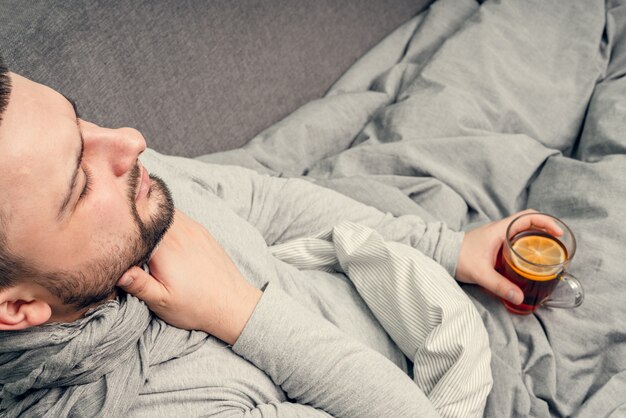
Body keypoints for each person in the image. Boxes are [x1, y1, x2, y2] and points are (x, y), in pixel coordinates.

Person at [0, 57, 546, 418]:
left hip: (382, 283)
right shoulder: (151, 402)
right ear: (19, 306)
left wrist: (446, 247)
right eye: (79, 179)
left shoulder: (124, 190)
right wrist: (238, 311)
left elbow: (266, 200)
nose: (130, 141)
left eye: (80, 120)